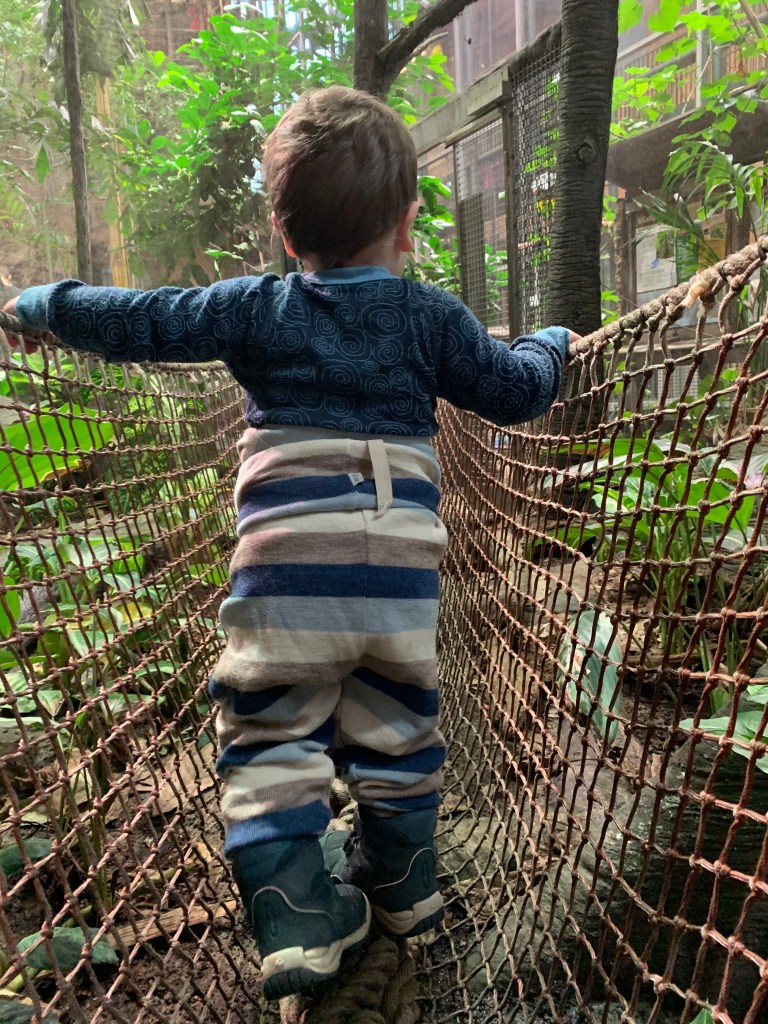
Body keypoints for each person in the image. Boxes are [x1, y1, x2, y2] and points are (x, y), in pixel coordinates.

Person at [4, 85, 578, 1001]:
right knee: (396, 728)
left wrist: (46, 302)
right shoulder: (430, 318)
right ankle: (402, 884)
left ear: (282, 229)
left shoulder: (255, 309)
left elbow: (146, 317)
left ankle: (298, 910)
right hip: (398, 580)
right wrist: (552, 342)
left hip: (285, 572)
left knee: (270, 732)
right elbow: (514, 389)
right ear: (407, 223)